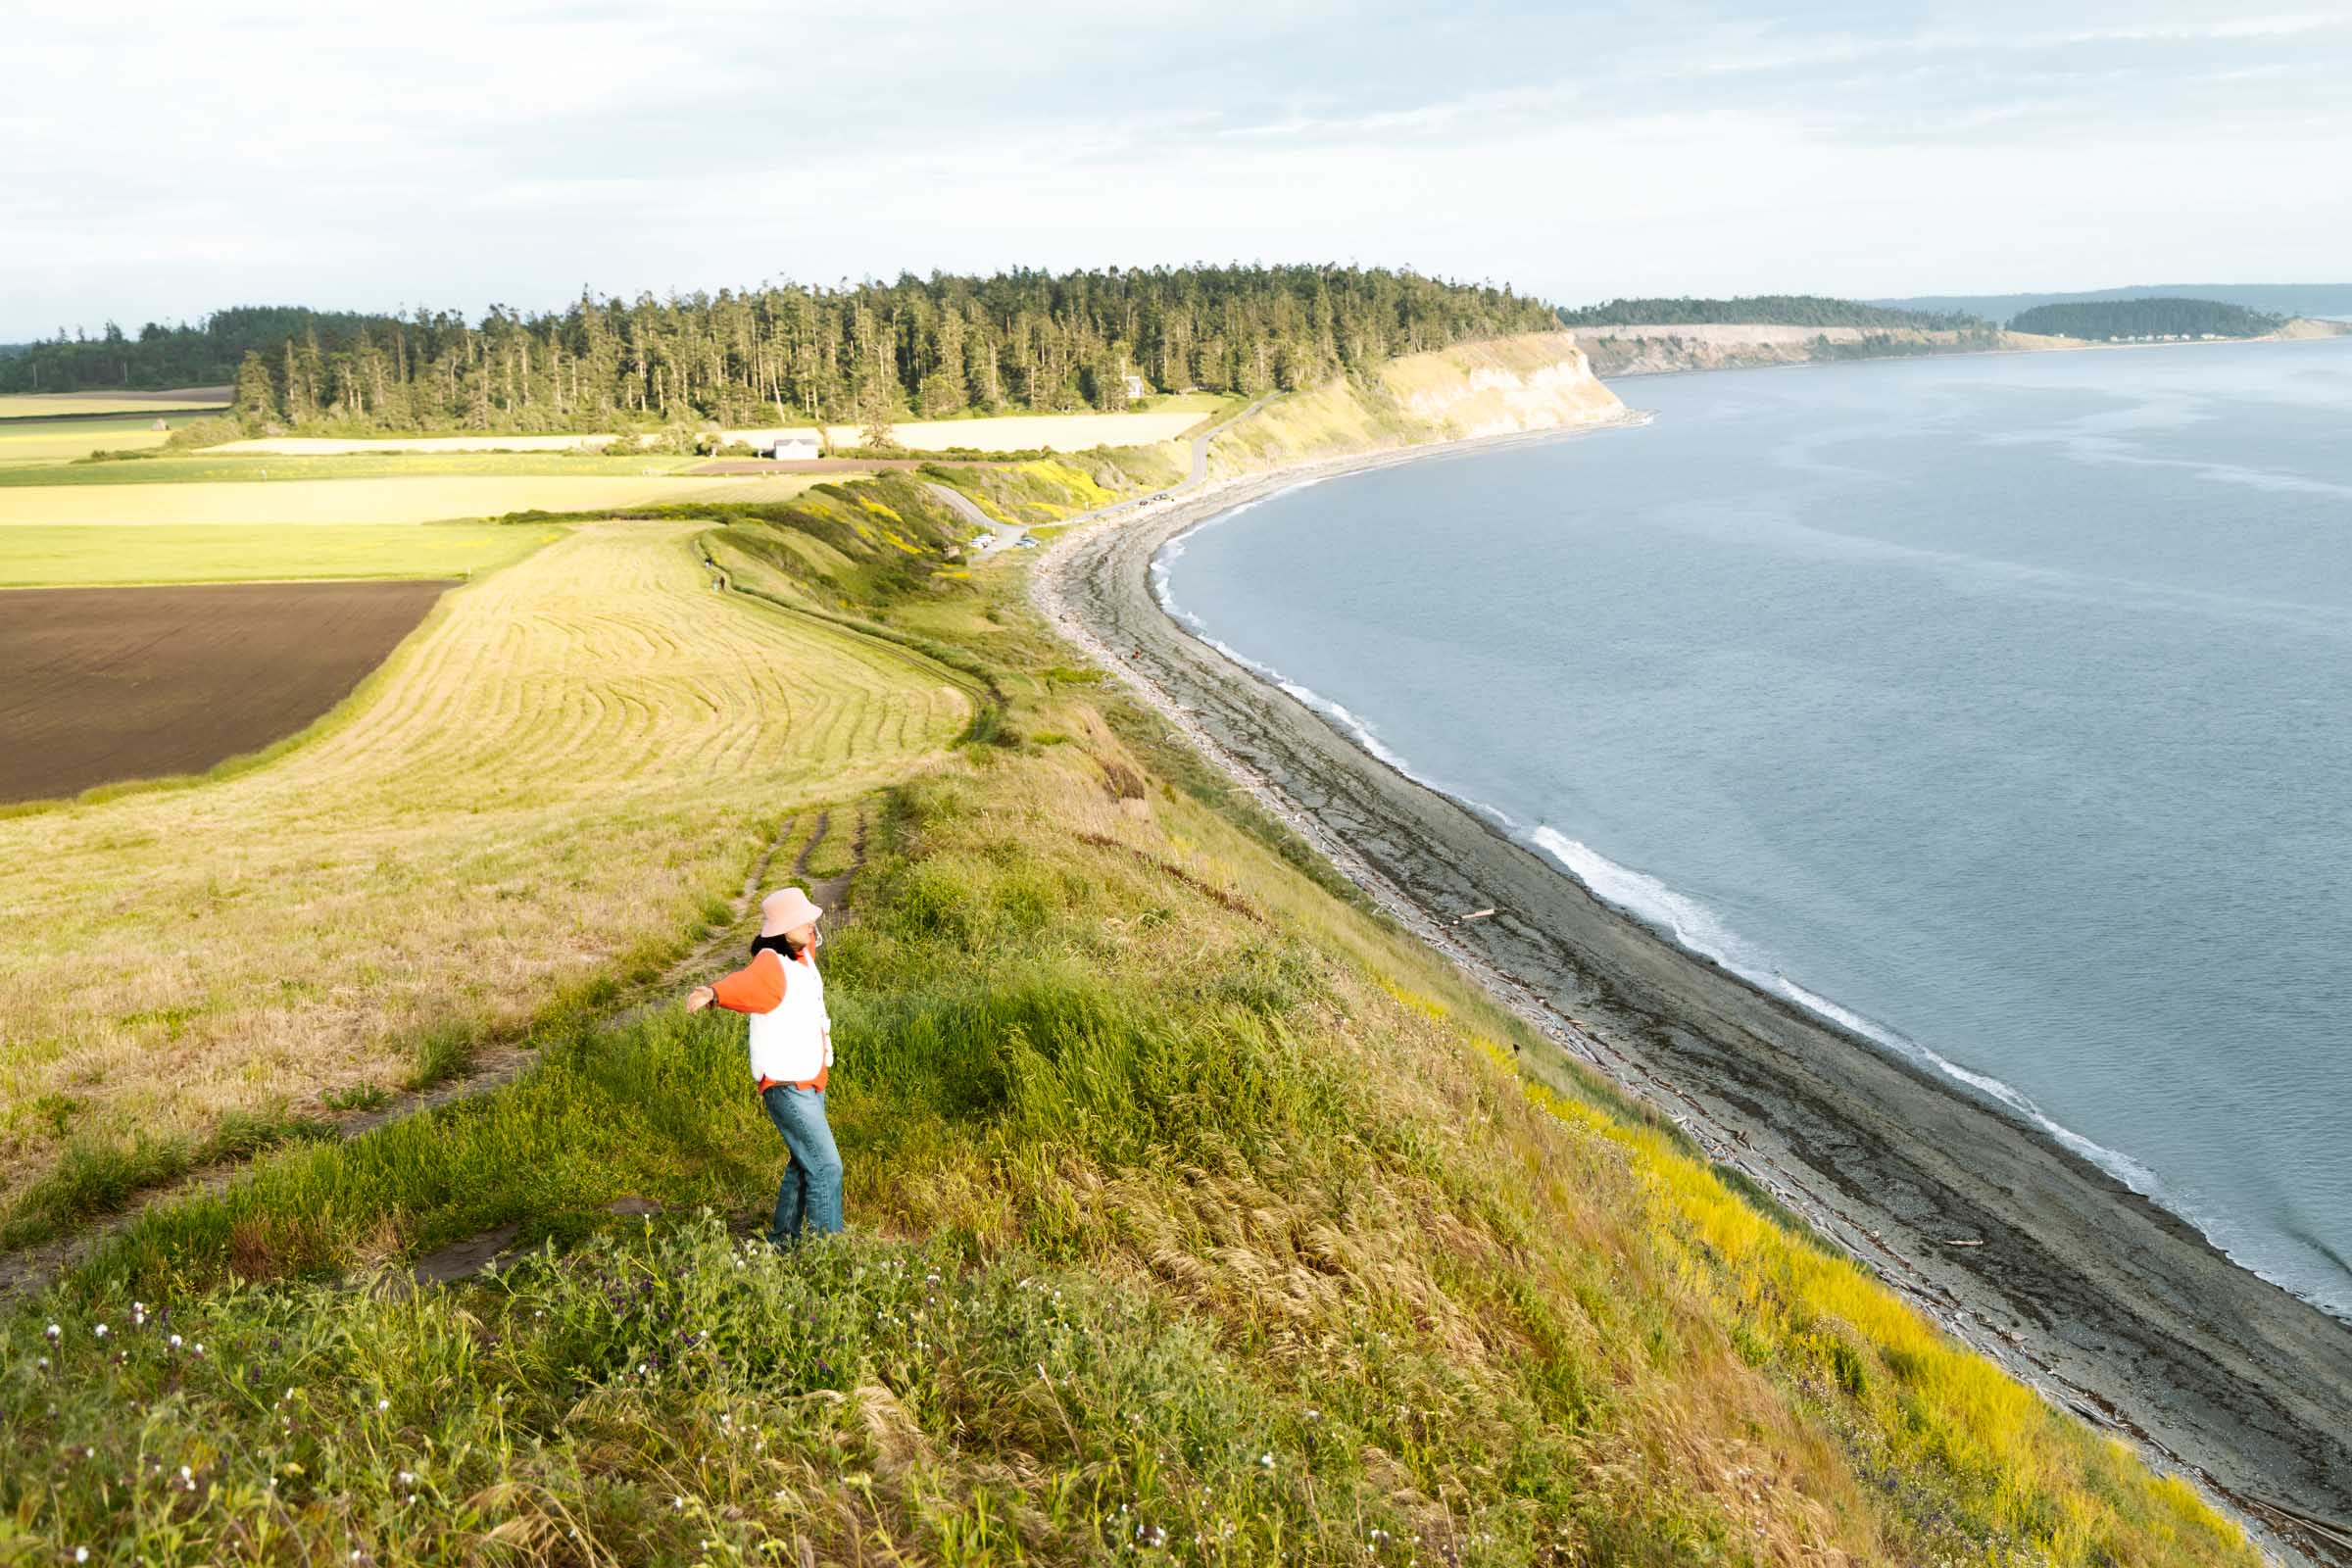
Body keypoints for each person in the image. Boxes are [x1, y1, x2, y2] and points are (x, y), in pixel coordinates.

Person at [685, 887, 842, 1247]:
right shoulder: (772, 962)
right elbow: (747, 983)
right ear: (784, 928)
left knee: (804, 1165)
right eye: (803, 919)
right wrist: (713, 993)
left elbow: (806, 937)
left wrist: (806, 922)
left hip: (809, 1079)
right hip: (788, 1085)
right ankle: (829, 1255)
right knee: (826, 1166)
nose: (812, 923)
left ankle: (782, 1241)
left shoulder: (802, 954)